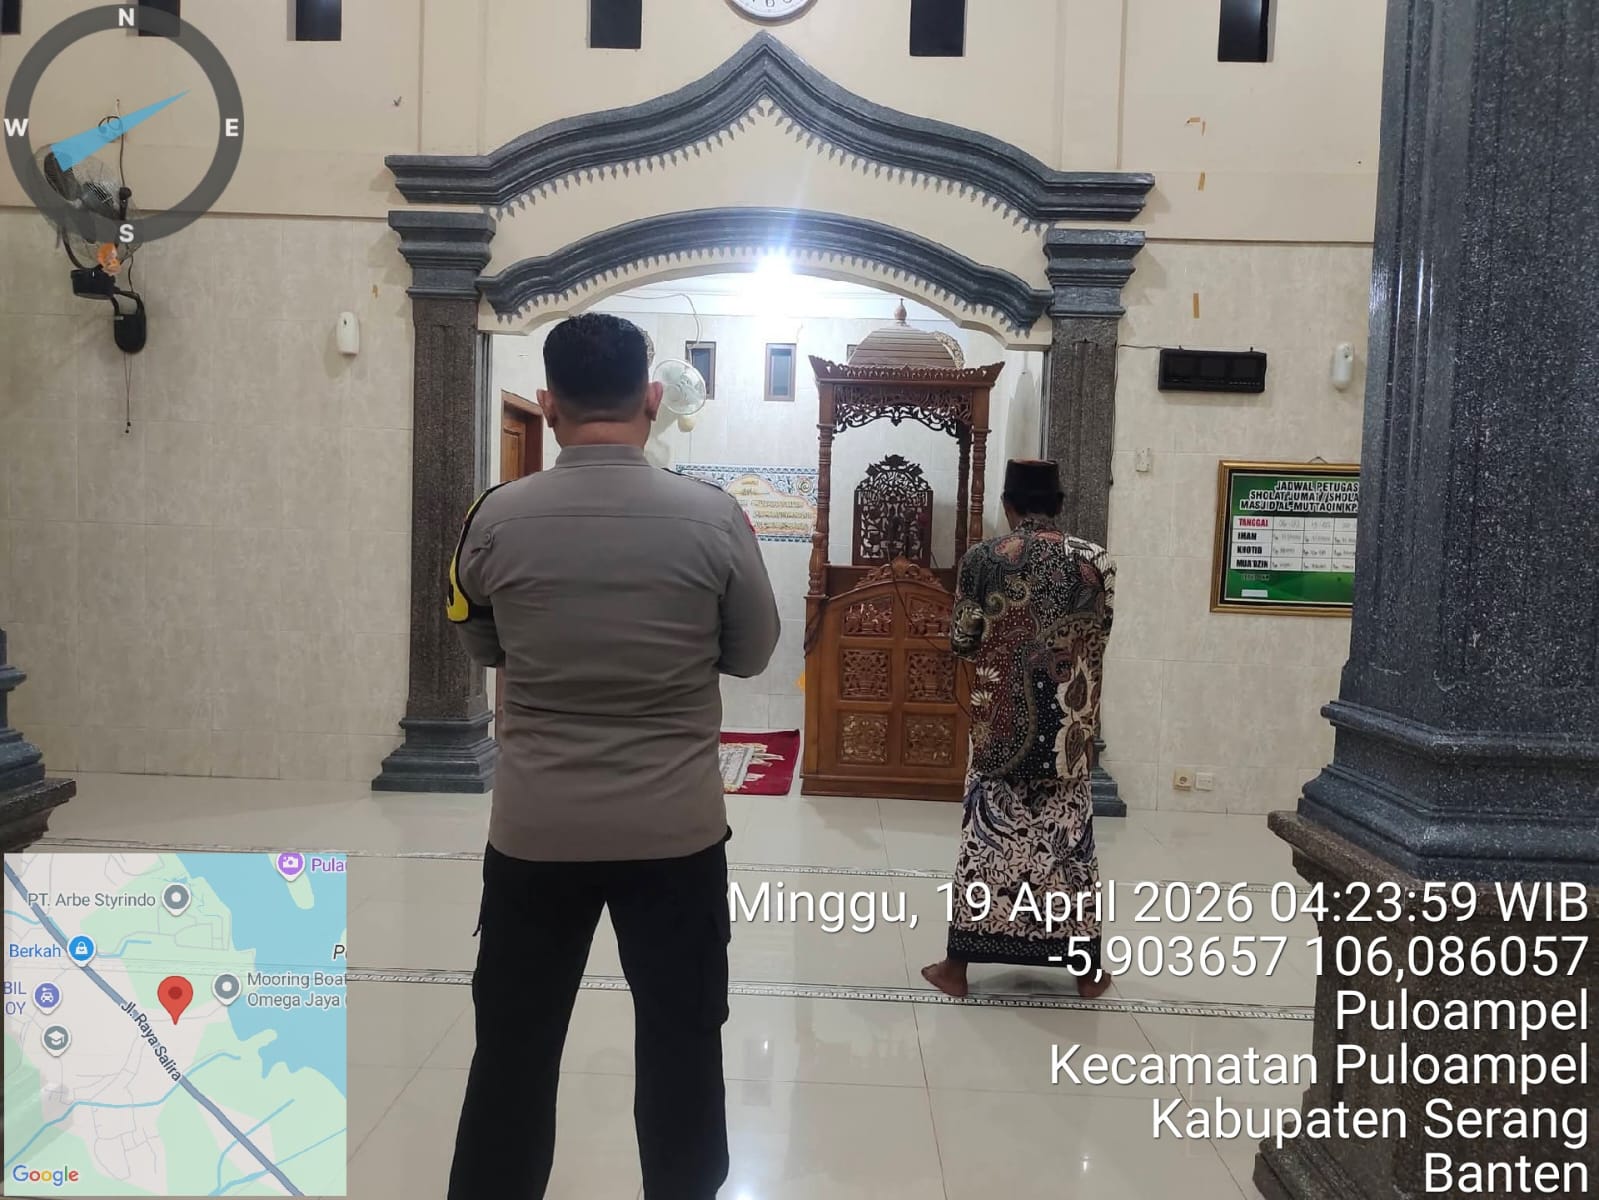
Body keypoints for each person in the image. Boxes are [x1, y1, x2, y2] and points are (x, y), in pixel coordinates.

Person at [444, 313, 781, 1200]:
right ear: (653, 398)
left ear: (549, 405)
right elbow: (751, 653)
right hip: (674, 836)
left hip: (535, 834)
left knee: (512, 1051)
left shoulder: (493, 517)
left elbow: (482, 643)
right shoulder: (714, 517)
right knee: (681, 1045)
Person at [922, 458, 1116, 1000]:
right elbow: (1099, 635)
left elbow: (963, 642)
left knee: (987, 847)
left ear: (1007, 505)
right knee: (1068, 850)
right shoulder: (1098, 561)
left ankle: (957, 969)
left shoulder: (982, 559)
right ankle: (1087, 974)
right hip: (1068, 733)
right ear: (1060, 504)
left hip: (999, 732)